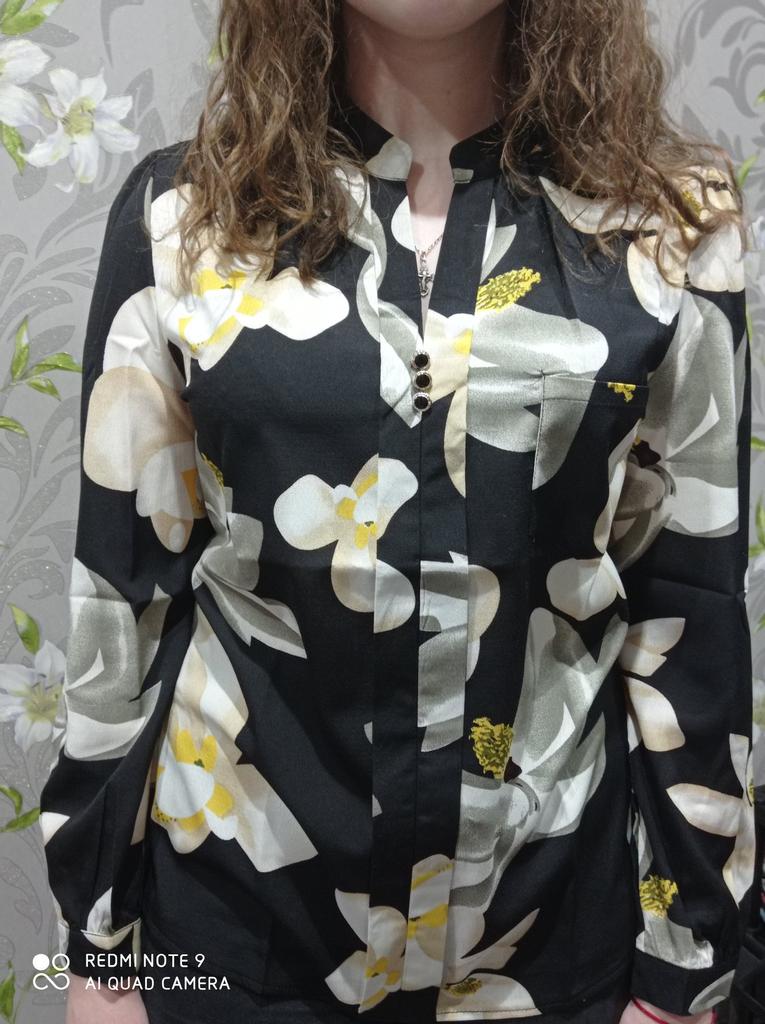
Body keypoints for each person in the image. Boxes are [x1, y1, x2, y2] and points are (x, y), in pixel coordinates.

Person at [37, 0, 757, 1022]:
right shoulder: (184, 215)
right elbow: (123, 606)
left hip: (552, 951)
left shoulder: (670, 224)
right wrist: (101, 953)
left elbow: (688, 614)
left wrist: (685, 971)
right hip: (235, 943)